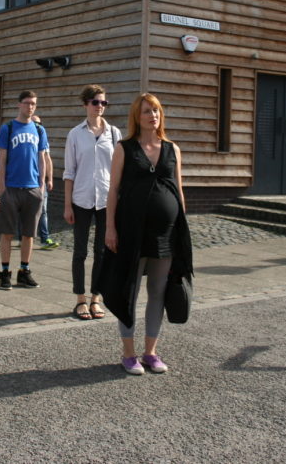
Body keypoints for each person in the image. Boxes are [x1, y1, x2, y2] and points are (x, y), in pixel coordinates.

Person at [98, 93, 193, 375]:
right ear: (136, 118)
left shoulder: (172, 149)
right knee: (129, 290)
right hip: (131, 231)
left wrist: (182, 229)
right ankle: (128, 354)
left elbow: (178, 190)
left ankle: (150, 352)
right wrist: (110, 228)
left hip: (165, 234)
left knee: (158, 292)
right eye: (146, 112)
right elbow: (113, 191)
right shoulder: (124, 148)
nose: (152, 115)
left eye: (156, 110)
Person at [63, 85, 121, 320]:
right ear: (85, 104)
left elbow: (118, 170)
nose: (100, 107)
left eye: (103, 103)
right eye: (95, 102)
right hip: (81, 199)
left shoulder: (114, 134)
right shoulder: (75, 134)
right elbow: (69, 172)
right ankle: (80, 299)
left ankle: (96, 298)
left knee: (103, 251)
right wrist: (67, 205)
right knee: (80, 251)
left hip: (106, 200)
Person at [0, 91, 49, 290]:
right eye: (27, 103)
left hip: (32, 188)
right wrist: (1, 189)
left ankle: (24, 271)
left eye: (33, 103)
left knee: (29, 234)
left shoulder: (39, 130)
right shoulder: (7, 128)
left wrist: (41, 185)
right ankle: (5, 271)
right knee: (7, 233)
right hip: (11, 187)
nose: (30, 107)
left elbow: (42, 158)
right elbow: (1, 159)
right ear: (19, 105)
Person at [31, 114, 58, 250]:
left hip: (40, 181)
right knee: (25, 211)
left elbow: (48, 160)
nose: (37, 126)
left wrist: (50, 178)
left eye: (39, 123)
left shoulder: (43, 139)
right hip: (27, 180)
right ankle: (22, 236)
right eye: (34, 123)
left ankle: (44, 238)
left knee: (43, 210)